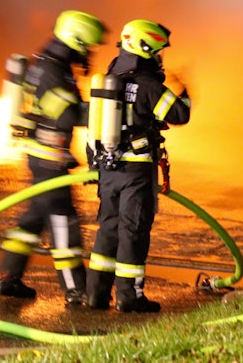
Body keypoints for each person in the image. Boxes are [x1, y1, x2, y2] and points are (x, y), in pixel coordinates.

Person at [0, 10, 107, 306]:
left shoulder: (55, 64)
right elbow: (66, 115)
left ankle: (10, 278)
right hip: (49, 159)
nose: (87, 52)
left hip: (45, 156)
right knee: (63, 220)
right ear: (76, 39)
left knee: (34, 218)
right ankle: (75, 289)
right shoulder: (52, 70)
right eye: (86, 46)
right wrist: (104, 111)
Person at [85, 19, 191, 313]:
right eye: (157, 52)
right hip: (136, 172)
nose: (160, 58)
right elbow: (180, 114)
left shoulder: (109, 78)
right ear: (146, 49)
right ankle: (129, 297)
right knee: (133, 232)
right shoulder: (148, 85)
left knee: (108, 229)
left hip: (108, 169)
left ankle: (95, 295)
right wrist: (184, 91)